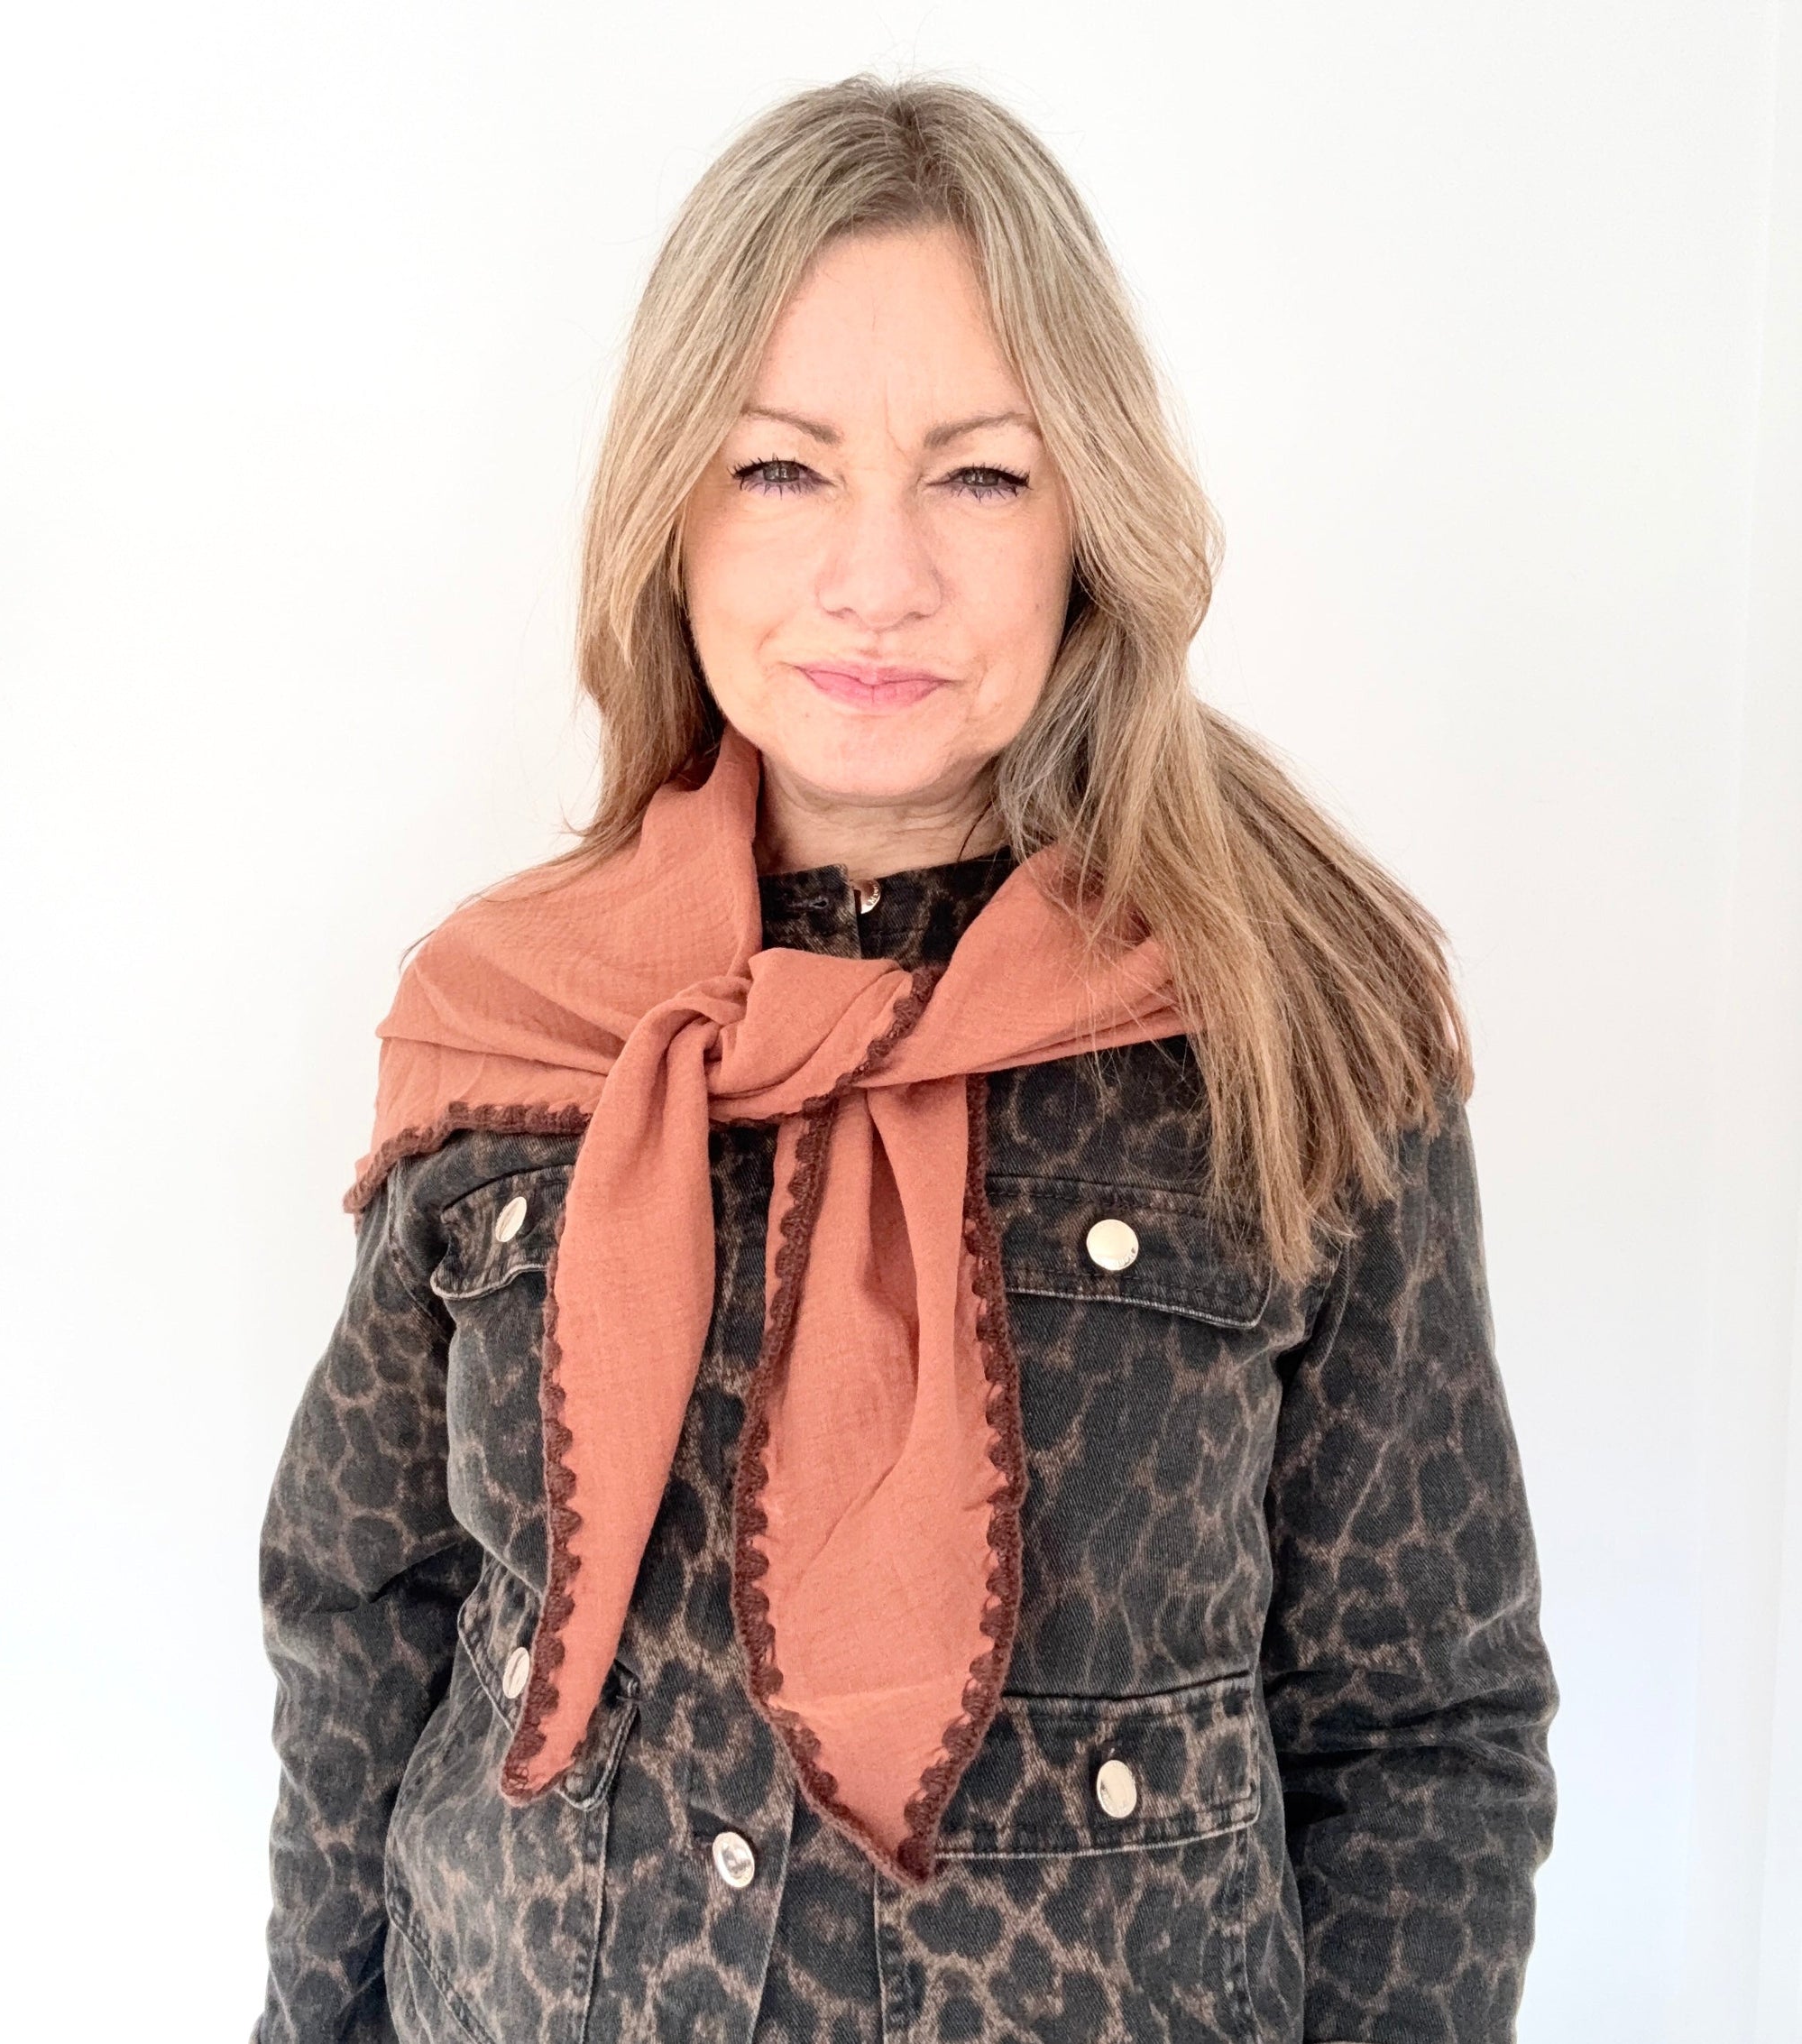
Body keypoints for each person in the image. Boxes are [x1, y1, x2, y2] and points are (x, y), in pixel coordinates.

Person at [253, 72, 1557, 2044]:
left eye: (980, 473)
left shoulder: (1300, 1021)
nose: (878, 576)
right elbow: (363, 1617)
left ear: (1084, 520)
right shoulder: (508, 1016)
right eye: (781, 469)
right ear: (670, 507)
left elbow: (1422, 1725)